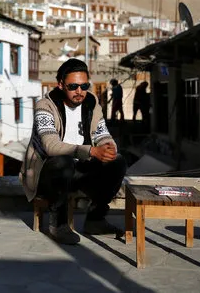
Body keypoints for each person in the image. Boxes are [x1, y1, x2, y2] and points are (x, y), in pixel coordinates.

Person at [20, 59, 127, 245]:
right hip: (46, 173)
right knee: (63, 161)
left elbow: (102, 133)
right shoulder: (45, 106)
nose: (79, 91)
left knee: (117, 161)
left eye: (84, 85)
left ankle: (96, 219)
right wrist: (92, 151)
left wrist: (108, 148)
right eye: (73, 86)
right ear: (61, 84)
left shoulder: (91, 103)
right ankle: (58, 224)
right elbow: (51, 146)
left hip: (80, 170)